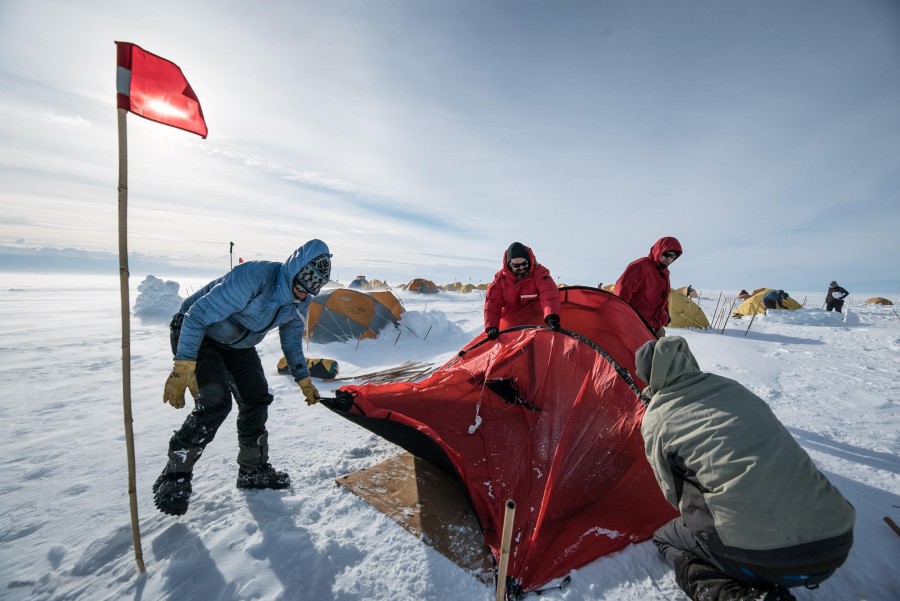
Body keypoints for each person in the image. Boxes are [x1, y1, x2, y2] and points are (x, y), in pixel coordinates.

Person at [635, 336, 854, 601]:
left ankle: (736, 595)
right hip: (838, 537)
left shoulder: (658, 417)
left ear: (649, 375)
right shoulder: (732, 387)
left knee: (666, 538)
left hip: (770, 558)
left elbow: (673, 492)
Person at [153, 239, 332, 516]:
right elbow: (196, 315)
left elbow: (292, 338)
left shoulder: (300, 301)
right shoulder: (254, 278)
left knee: (256, 398)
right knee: (215, 404)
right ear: (295, 268)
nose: (304, 292)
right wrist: (183, 365)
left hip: (238, 344)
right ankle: (174, 477)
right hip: (198, 333)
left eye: (313, 288)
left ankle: (253, 470)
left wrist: (303, 378)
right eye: (303, 283)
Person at [484, 242, 561, 340]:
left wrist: (552, 316)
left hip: (534, 320)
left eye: (524, 264)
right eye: (516, 266)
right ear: (509, 265)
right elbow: (493, 302)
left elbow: (549, 295)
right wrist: (492, 326)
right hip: (511, 321)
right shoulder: (500, 279)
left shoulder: (539, 274)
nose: (521, 268)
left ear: (529, 261)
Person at [614, 236, 683, 338]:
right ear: (659, 250)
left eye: (673, 257)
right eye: (666, 254)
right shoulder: (641, 266)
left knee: (660, 352)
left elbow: (662, 297)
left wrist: (666, 313)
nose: (668, 259)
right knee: (639, 353)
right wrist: (622, 319)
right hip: (637, 324)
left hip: (656, 325)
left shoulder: (664, 272)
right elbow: (622, 292)